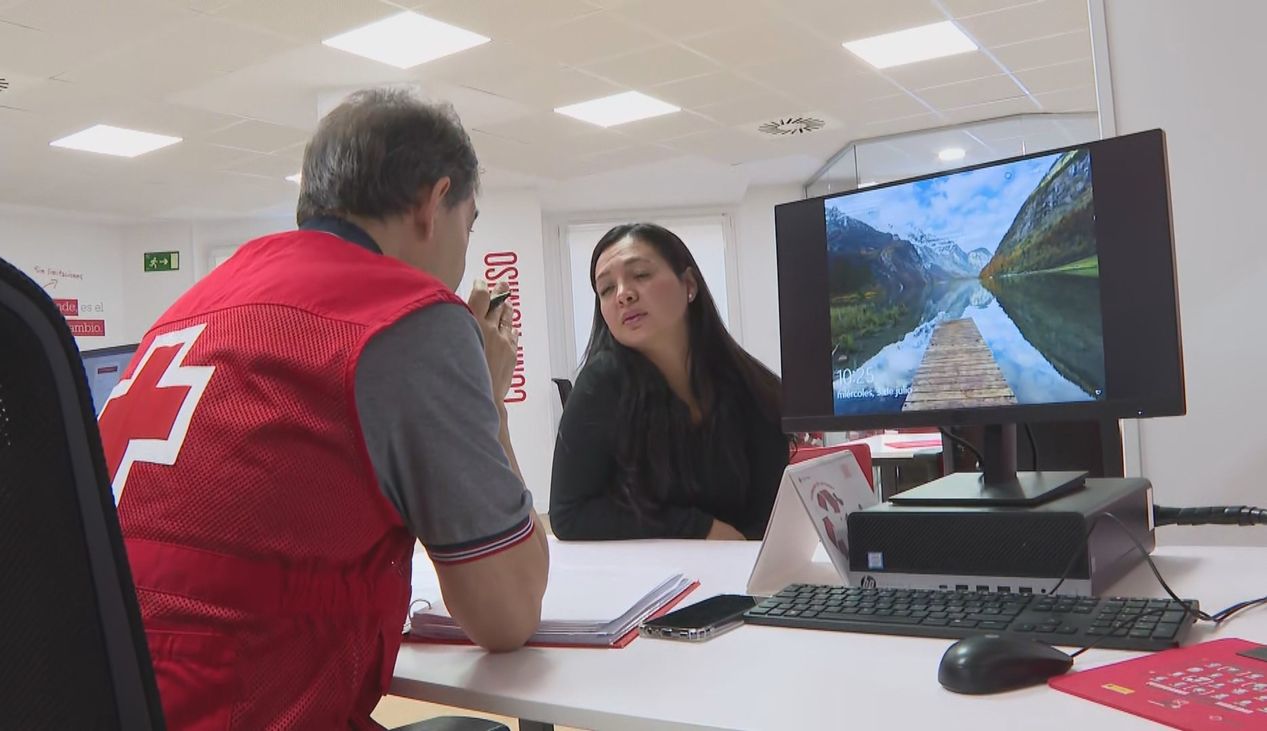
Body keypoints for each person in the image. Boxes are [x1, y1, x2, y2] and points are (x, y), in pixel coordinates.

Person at [99, 87, 549, 730]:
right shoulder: (410, 315)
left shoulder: (200, 302)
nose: (461, 258)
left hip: (103, 694)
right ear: (432, 204)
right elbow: (506, 614)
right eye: (467, 224)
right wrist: (493, 406)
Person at [549, 223, 792, 541]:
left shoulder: (751, 385)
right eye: (606, 289)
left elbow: (768, 517)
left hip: (739, 573)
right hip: (645, 579)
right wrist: (698, 528)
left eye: (640, 275)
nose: (623, 295)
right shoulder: (601, 385)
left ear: (689, 284)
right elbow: (569, 514)